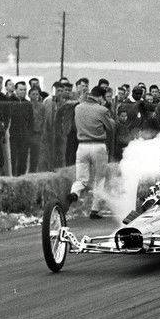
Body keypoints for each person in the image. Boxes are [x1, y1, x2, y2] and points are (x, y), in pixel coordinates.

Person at [69, 85, 115, 219]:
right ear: (100, 97)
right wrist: (108, 110)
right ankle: (95, 210)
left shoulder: (78, 107)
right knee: (99, 179)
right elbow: (111, 127)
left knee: (81, 178)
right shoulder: (102, 110)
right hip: (98, 145)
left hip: (82, 146)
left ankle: (75, 193)